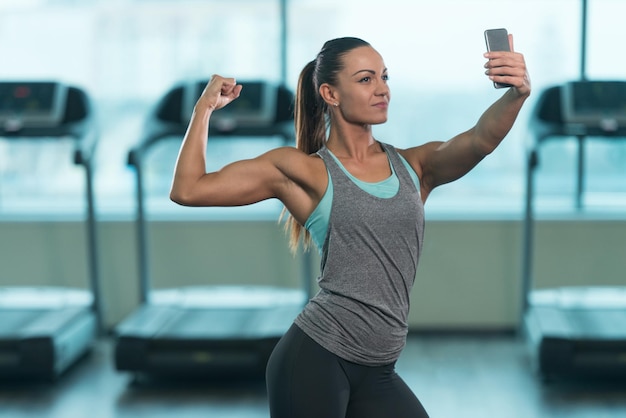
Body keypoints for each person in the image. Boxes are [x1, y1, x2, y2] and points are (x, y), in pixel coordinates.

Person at [170, 35, 530, 418]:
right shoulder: (303, 171)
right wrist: (204, 109)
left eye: (384, 77)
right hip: (315, 360)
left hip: (377, 369)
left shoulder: (415, 167)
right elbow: (188, 190)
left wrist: (517, 94)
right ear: (330, 93)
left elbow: (480, 140)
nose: (382, 89)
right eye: (365, 79)